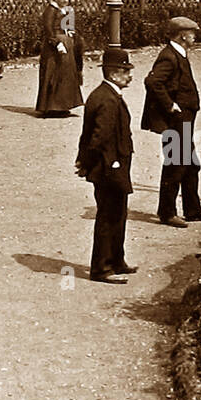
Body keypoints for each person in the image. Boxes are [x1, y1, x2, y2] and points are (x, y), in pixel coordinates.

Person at [141, 16, 201, 228]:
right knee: (175, 164)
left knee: (190, 164)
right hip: (176, 120)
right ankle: (167, 212)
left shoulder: (178, 54)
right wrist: (170, 105)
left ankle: (192, 209)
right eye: (192, 33)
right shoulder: (169, 56)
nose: (194, 36)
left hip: (184, 120)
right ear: (182, 35)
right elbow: (153, 81)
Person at [75, 47, 138, 284]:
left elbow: (87, 135)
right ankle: (101, 268)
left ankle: (116, 260)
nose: (129, 76)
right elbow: (97, 139)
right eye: (125, 71)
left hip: (113, 165)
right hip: (108, 167)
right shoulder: (107, 100)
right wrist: (87, 163)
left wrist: (83, 161)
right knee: (108, 216)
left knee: (118, 213)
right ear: (113, 74)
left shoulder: (103, 95)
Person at [36, 0, 83, 117]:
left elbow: (67, 25)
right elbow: (48, 30)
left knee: (66, 75)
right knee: (54, 75)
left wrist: (71, 32)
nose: (65, 0)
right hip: (55, 48)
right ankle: (52, 106)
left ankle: (64, 104)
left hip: (66, 44)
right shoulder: (50, 11)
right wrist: (57, 43)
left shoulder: (63, 10)